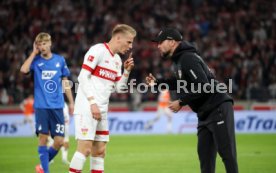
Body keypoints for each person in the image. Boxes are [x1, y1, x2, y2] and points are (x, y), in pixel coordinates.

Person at [146, 28, 238, 173]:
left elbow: (204, 86)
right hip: (204, 113)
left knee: (227, 155)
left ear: (171, 42)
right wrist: (158, 84)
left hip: (218, 108)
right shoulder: (178, 61)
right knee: (205, 158)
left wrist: (181, 102)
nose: (158, 46)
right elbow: (179, 83)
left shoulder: (187, 58)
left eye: (160, 42)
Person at [69, 24, 136, 173]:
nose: (130, 46)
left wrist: (126, 72)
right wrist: (93, 103)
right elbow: (82, 77)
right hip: (87, 106)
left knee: (100, 151)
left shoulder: (117, 60)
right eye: (129, 42)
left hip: (102, 109)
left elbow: (119, 88)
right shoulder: (97, 50)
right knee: (84, 149)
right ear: (118, 38)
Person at [20, 32, 74, 173]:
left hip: (57, 106)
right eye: (39, 44)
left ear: (50, 43)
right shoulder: (36, 61)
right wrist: (33, 53)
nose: (42, 47)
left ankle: (42, 167)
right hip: (41, 107)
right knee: (43, 139)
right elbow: (23, 70)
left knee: (59, 141)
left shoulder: (60, 60)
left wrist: (72, 102)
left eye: (44, 44)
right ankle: (46, 171)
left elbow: (65, 83)